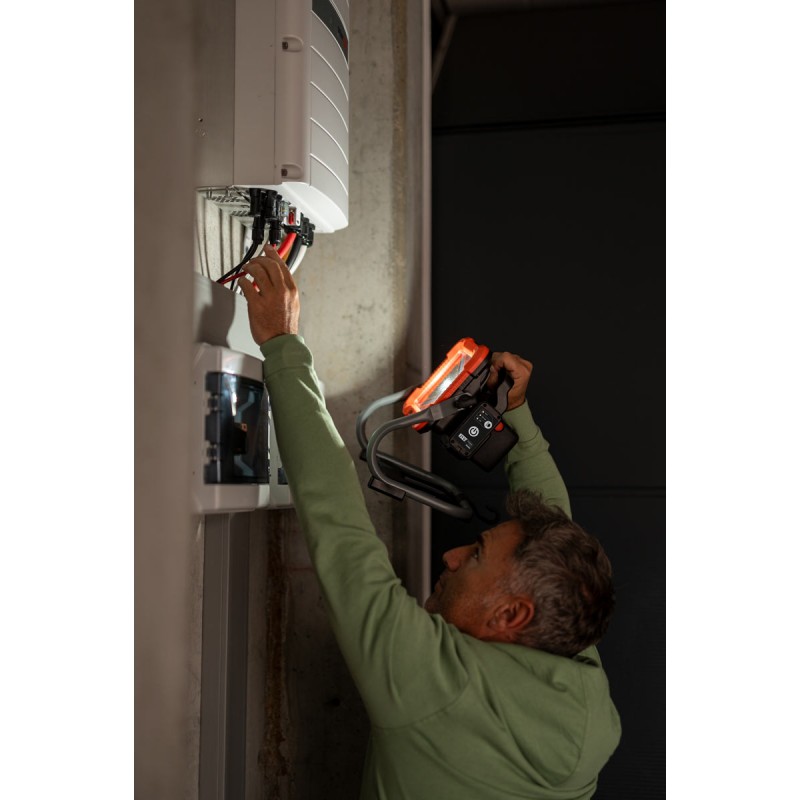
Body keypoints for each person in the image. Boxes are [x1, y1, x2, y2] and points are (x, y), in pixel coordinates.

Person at [238, 249, 621, 800]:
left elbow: (341, 533)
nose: (452, 555)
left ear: (511, 615)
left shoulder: (442, 688)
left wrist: (282, 346)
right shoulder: (577, 673)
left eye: (476, 555)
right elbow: (554, 526)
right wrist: (514, 413)